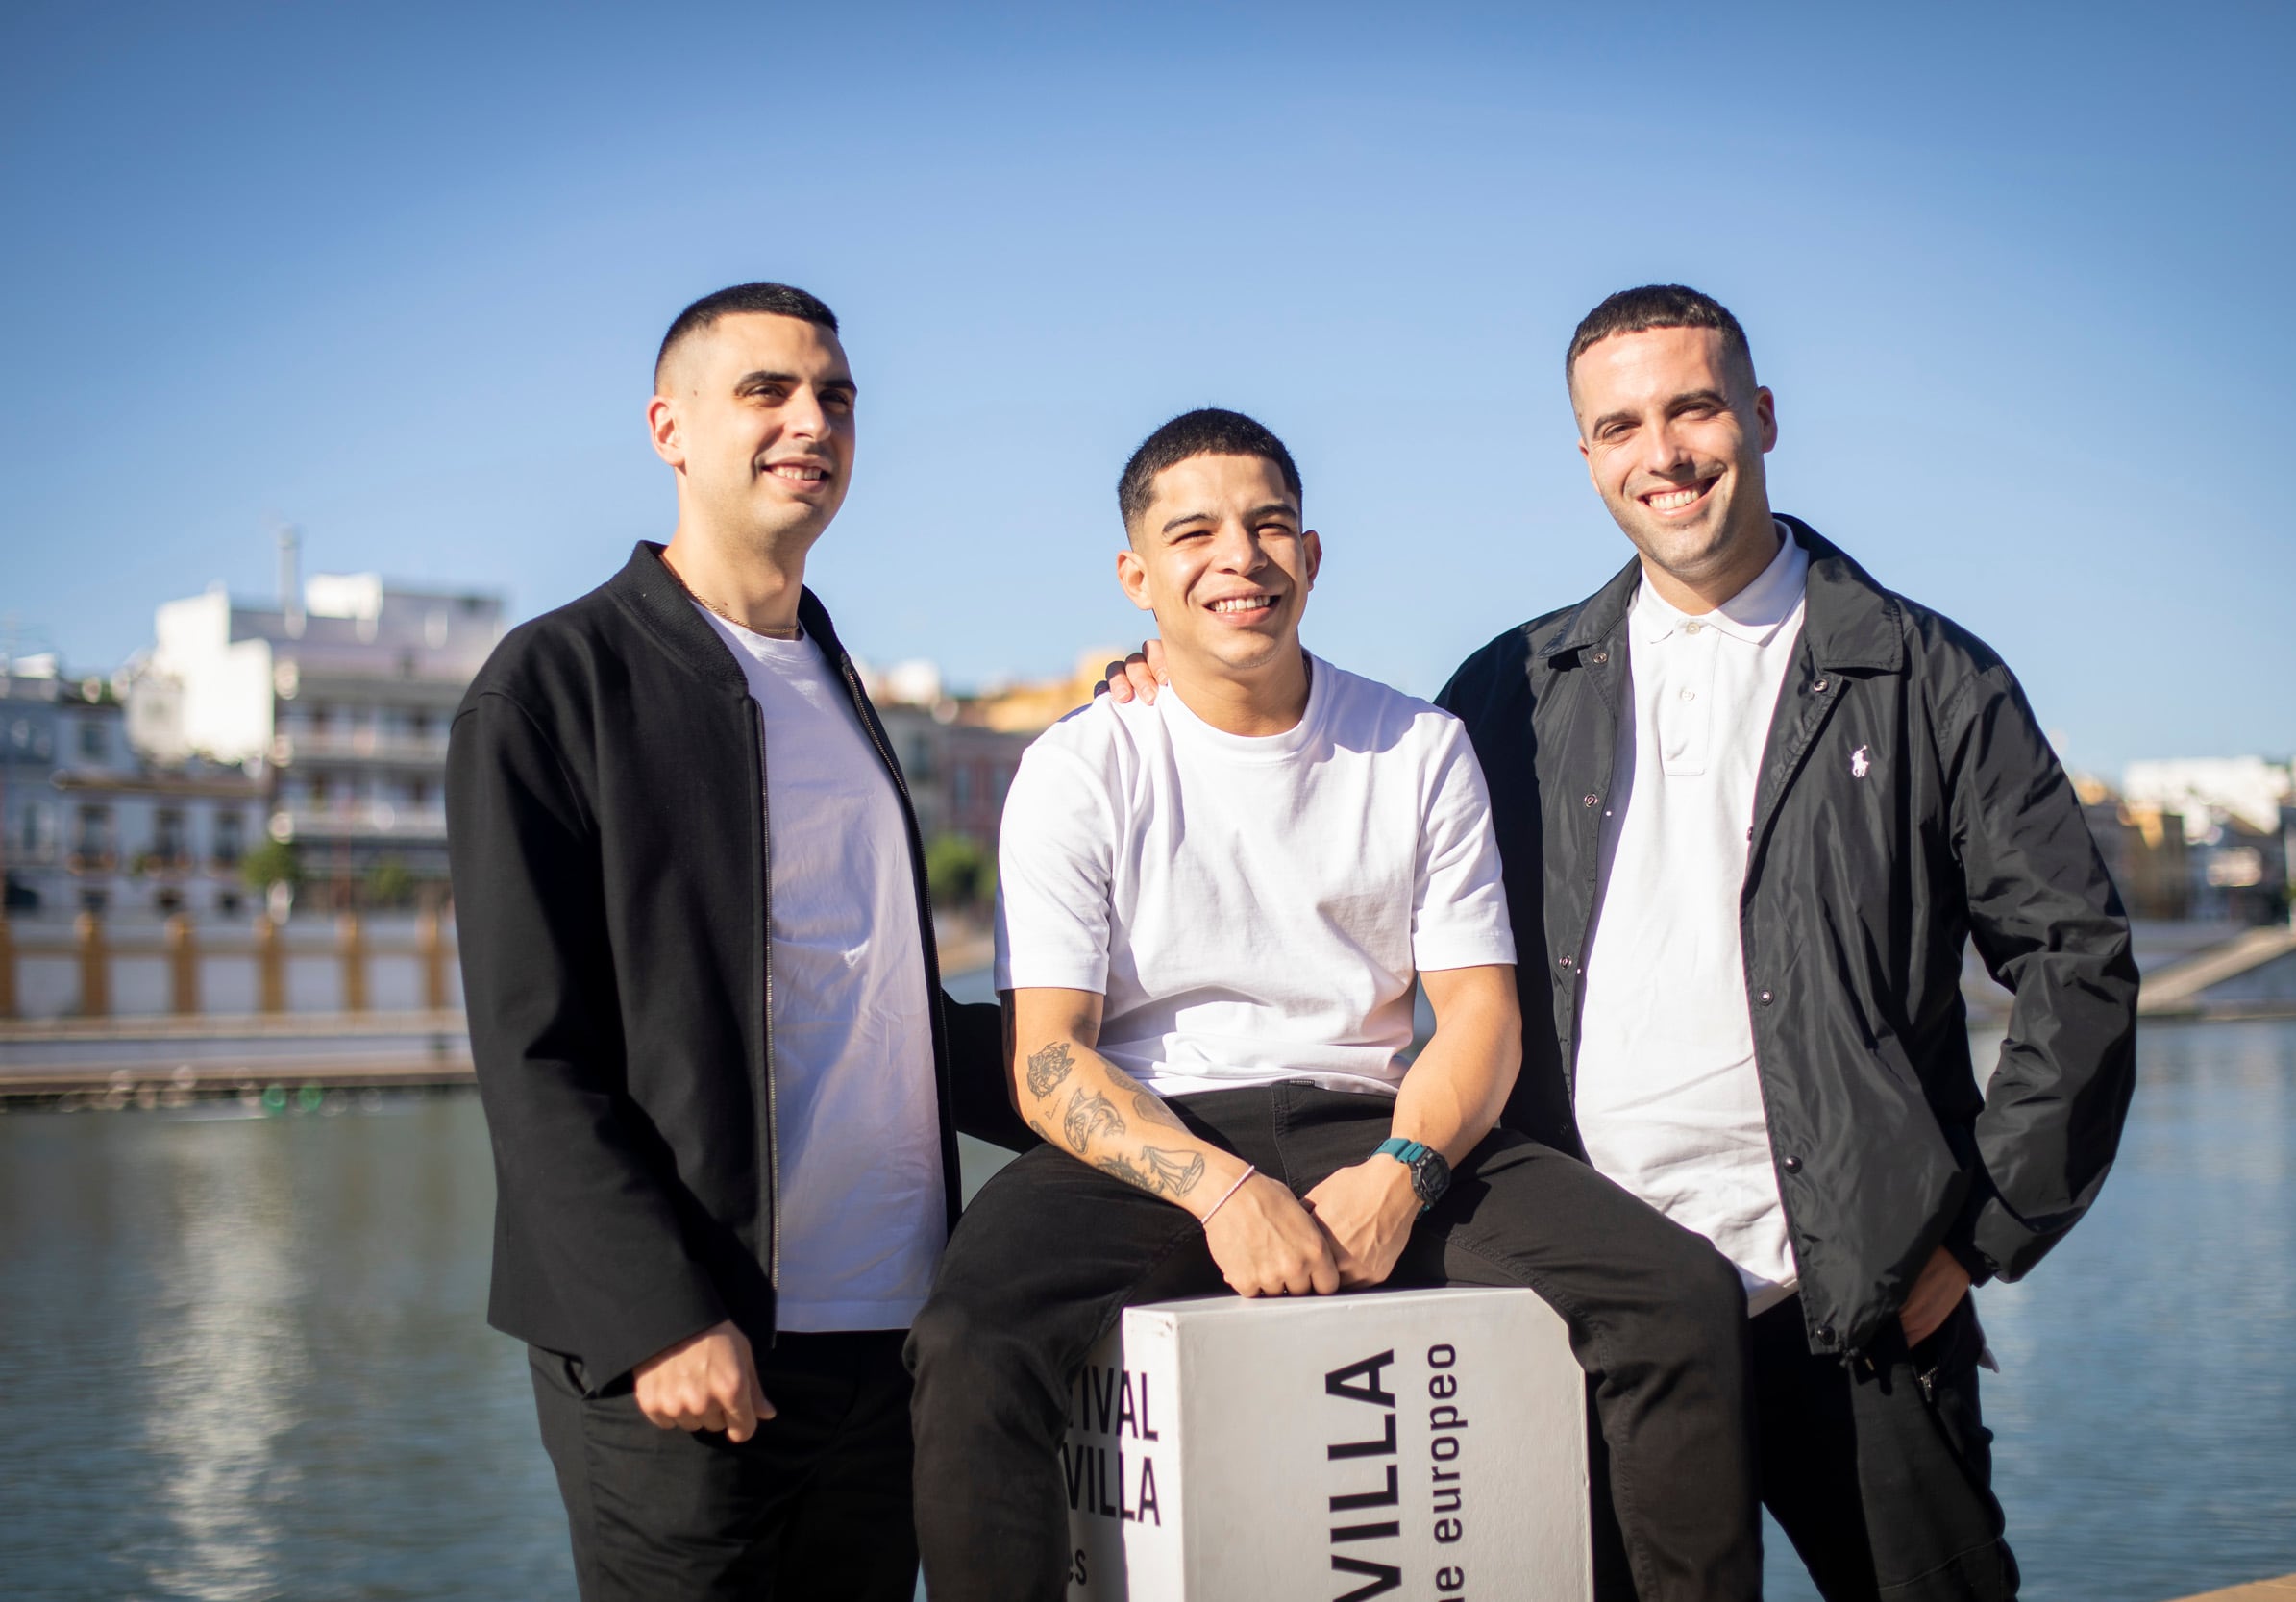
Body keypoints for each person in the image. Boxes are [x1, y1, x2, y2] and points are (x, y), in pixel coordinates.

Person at [1110, 287, 2140, 1600]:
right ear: (1588, 455)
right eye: (1618, 426)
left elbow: (2078, 962)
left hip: (1861, 1300)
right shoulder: (1515, 685)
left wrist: (1982, 1229)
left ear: (1759, 416)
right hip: (1588, 1308)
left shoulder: (1929, 674)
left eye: (1694, 408)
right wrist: (1156, 686)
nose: (1662, 452)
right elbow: (1322, 793)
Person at [908, 408, 1762, 1602]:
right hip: (1151, 1132)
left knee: (1676, 1298)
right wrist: (1222, 1189)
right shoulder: (1078, 764)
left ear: (1310, 556)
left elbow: (1478, 1018)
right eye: (1193, 531)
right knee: (965, 1346)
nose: (1239, 556)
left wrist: (1405, 1169)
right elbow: (1048, 1058)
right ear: (1136, 576)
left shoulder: (1416, 745)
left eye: (1268, 526)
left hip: (1370, 1113)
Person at [447, 282, 1021, 1601]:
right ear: (672, 428)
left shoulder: (829, 671)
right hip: (693, 1343)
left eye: (834, 394)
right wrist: (659, 1315)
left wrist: (1155, 1120)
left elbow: (887, 1012)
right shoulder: (552, 683)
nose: (808, 419)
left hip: (889, 1333)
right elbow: (536, 1053)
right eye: (766, 390)